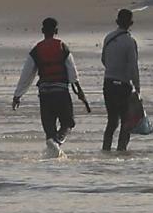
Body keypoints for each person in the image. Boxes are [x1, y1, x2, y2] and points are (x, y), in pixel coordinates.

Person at [12, 17, 87, 153]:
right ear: (56, 31)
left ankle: (52, 151)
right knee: (68, 123)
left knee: (49, 128)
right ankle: (57, 141)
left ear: (42, 31)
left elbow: (27, 75)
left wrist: (17, 95)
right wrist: (80, 93)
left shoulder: (36, 50)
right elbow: (72, 73)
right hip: (61, 93)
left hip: (45, 94)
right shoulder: (62, 47)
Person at [100, 8, 140, 152]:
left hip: (108, 83)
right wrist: (137, 87)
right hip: (123, 85)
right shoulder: (130, 42)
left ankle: (105, 150)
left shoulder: (108, 37)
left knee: (112, 122)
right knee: (126, 122)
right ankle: (121, 151)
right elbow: (133, 68)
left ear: (117, 21)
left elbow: (103, 59)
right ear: (131, 23)